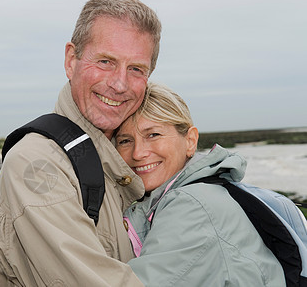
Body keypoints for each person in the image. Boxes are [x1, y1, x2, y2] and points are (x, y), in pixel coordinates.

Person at [0, 0, 162, 286]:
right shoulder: (38, 164)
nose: (119, 84)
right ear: (71, 60)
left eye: (136, 69)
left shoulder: (125, 155)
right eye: (105, 61)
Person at [116, 82, 286, 286]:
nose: (138, 153)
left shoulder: (191, 205)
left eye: (153, 135)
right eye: (125, 141)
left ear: (190, 141)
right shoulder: (202, 191)